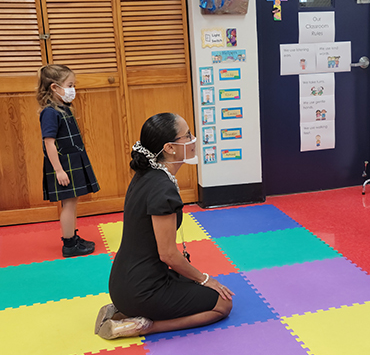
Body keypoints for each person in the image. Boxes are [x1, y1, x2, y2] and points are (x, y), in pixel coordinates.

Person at [96, 113, 233, 340]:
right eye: (187, 135)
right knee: (222, 305)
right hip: (141, 290)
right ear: (169, 147)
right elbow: (168, 254)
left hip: (124, 281)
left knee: (200, 288)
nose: (193, 139)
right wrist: (206, 279)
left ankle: (122, 312)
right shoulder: (162, 188)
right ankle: (143, 325)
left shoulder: (147, 174)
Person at [37, 64, 99, 257]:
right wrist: (58, 170)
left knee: (72, 202)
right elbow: (49, 143)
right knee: (69, 204)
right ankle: (69, 244)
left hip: (74, 161)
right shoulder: (50, 112)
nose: (73, 89)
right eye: (70, 85)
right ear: (54, 87)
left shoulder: (64, 108)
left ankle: (72, 237)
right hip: (64, 165)